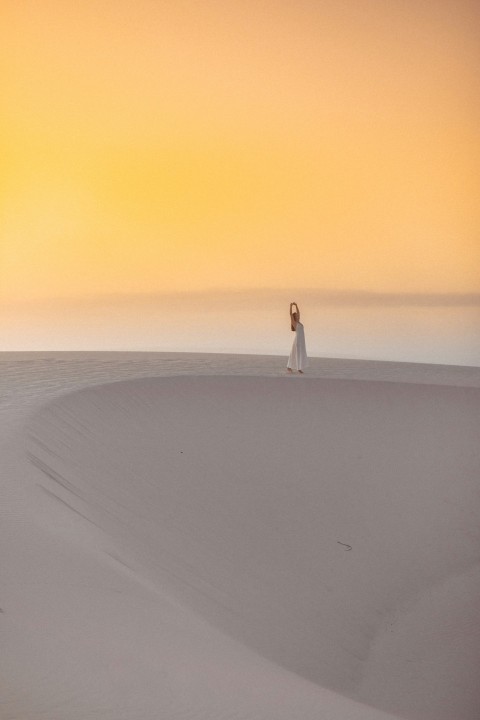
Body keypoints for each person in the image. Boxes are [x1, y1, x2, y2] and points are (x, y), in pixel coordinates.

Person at [287, 302, 308, 373]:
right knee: (297, 352)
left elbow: (299, 313)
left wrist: (296, 305)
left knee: (296, 352)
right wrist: (291, 306)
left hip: (301, 340)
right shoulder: (294, 323)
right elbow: (290, 314)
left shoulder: (299, 322)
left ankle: (290, 367)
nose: (297, 315)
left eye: (297, 315)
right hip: (298, 340)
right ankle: (298, 368)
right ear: (294, 317)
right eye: (295, 315)